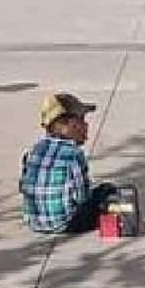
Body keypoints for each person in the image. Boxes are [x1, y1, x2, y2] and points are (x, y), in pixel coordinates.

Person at [19, 93, 116, 234]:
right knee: (106, 191)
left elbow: (24, 186)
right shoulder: (74, 154)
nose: (86, 125)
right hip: (67, 224)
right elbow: (81, 198)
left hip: (34, 222)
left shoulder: (34, 150)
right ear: (67, 125)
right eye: (81, 120)